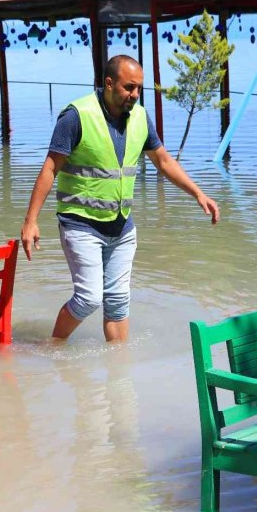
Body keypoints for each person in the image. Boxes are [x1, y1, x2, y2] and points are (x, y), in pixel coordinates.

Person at [20, 55, 219, 342]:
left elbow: (163, 161)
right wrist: (31, 221)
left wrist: (199, 193)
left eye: (139, 88)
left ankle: (119, 375)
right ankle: (53, 349)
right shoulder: (77, 115)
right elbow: (50, 167)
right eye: (129, 87)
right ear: (109, 83)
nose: (135, 95)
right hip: (80, 224)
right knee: (89, 298)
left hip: (122, 227)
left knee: (118, 302)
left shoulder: (140, 117)